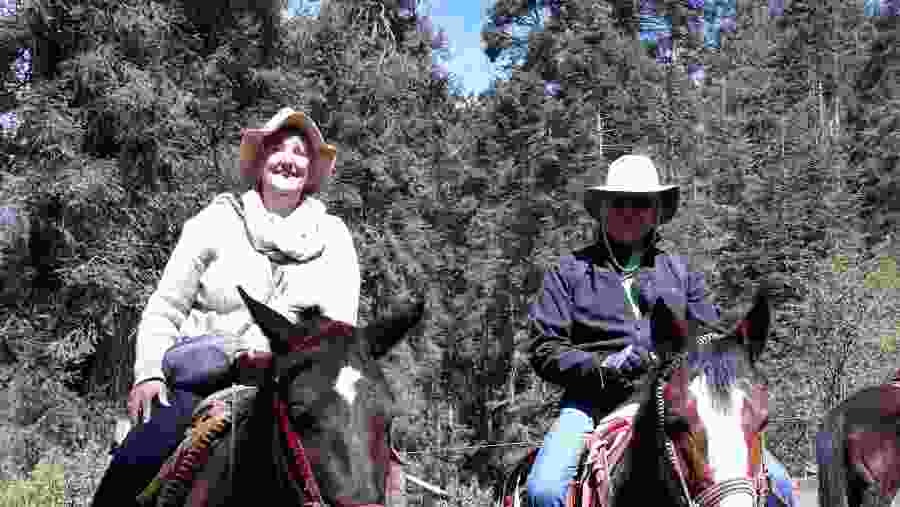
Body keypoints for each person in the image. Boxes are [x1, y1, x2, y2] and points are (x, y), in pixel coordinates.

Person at [91, 107, 361, 506]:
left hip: (293, 393)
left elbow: (341, 332)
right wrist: (149, 374)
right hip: (202, 382)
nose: (289, 158)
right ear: (261, 159)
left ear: (310, 170)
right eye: (278, 148)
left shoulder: (335, 238)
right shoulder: (213, 222)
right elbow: (165, 308)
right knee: (139, 456)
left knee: (369, 473)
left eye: (300, 151)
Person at [524, 154, 794, 507]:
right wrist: (603, 366)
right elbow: (545, 347)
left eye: (642, 203)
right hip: (592, 402)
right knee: (544, 491)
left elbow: (709, 339)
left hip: (679, 401)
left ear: (655, 211)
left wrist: (696, 352)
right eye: (620, 202)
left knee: (780, 484)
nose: (630, 211)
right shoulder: (569, 272)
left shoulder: (679, 271)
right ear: (604, 208)